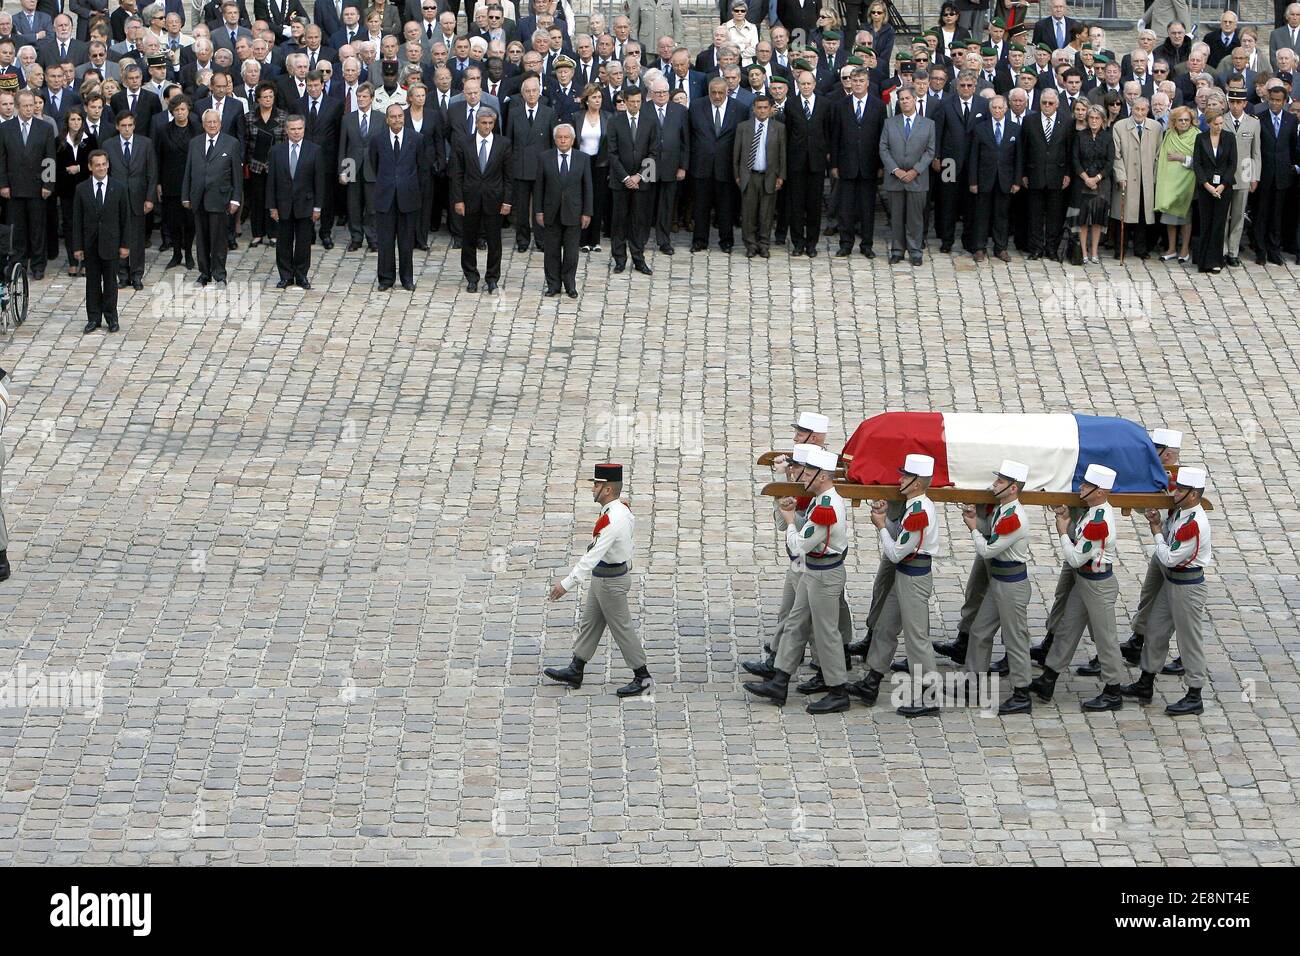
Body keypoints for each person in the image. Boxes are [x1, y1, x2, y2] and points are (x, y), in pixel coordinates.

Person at [743, 447, 853, 715]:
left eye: (807, 473)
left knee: (826, 633)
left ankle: (838, 690)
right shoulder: (820, 500)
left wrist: (791, 519)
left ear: (823, 476)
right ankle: (780, 681)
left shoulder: (826, 506)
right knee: (794, 624)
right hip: (815, 572)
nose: (802, 477)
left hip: (823, 575)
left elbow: (799, 545)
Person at [544, 463, 652, 698]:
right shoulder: (620, 509)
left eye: (597, 484)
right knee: (591, 623)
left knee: (622, 630)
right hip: (604, 578)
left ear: (608, 490)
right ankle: (576, 668)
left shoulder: (611, 520)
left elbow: (592, 555)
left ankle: (642, 676)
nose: (593, 488)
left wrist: (566, 584)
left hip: (610, 582)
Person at [850, 454, 941, 717]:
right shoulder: (913, 507)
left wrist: (880, 526)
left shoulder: (919, 512)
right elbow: (901, 536)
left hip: (913, 578)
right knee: (884, 628)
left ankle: (929, 695)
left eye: (905, 476)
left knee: (916, 638)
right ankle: (871, 682)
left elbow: (896, 552)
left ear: (916, 483)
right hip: (905, 575)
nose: (899, 479)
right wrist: (887, 520)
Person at [1030, 464, 1126, 712]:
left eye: (1087, 485)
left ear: (1100, 492)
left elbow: (1074, 558)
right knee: (1067, 629)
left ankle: (1113, 690)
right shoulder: (1091, 512)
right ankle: (1048, 679)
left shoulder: (1098, 521)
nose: (1081, 487)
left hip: (1097, 585)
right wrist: (1066, 519)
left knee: (1106, 640)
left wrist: (1061, 531)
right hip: (1086, 581)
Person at [1123, 467, 1213, 716]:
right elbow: (1169, 538)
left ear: (1193, 495)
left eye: (1181, 490)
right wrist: (1158, 524)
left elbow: (1170, 557)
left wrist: (1155, 534)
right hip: (1173, 583)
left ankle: (1195, 693)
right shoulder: (1180, 514)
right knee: (1155, 629)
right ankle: (1145, 682)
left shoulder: (1193, 524)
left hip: (1187, 587)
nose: (1175, 493)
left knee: (1189, 642)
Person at [962, 459, 1033, 715]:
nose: (995, 485)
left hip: (1011, 585)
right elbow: (993, 534)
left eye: (1000, 482)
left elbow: (988, 549)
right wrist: (978, 523)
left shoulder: (1014, 518)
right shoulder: (1004, 511)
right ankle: (972, 684)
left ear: (1013, 488)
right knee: (980, 631)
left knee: (1015, 639)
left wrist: (972, 529)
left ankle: (1022, 692)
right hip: (1000, 583)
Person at [450, 105, 510, 292]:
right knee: (468, 239)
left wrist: (507, 201)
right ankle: (471, 277)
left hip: (494, 198)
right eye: (483, 123)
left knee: (494, 241)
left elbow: (508, 176)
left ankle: (492, 278)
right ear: (476, 123)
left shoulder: (503, 144)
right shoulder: (464, 143)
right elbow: (457, 174)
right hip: (470, 198)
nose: (487, 126)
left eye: (490, 123)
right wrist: (458, 200)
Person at [181, 106, 243, 285]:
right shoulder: (195, 143)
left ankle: (219, 273)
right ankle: (204, 273)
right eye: (209, 122)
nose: (212, 125)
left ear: (220, 124)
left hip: (220, 198)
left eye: (215, 122)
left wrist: (235, 199)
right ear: (203, 124)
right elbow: (188, 171)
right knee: (201, 239)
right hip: (198, 198)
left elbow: (236, 177)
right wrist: (186, 195)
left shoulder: (231, 143)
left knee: (218, 239)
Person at [71, 149, 131, 334]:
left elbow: (125, 219)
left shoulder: (118, 187)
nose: (101, 168)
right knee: (92, 283)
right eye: (97, 165)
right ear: (90, 167)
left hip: (111, 243)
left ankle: (111, 318)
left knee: (111, 283)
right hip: (90, 244)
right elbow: (77, 219)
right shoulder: (82, 189)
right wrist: (78, 246)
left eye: (104, 164)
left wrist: (125, 244)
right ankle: (94, 318)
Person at [0, 90, 57, 280]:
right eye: (25, 106)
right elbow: (2, 158)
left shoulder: (45, 128)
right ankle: (19, 263)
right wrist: (3, 184)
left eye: (32, 105)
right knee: (17, 229)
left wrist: (48, 184)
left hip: (37, 187)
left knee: (37, 228)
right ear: (17, 107)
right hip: (14, 188)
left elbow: (49, 157)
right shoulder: (6, 128)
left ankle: (39, 265)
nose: (29, 109)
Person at [830, 65, 885, 258]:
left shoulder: (878, 106)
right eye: (855, 81)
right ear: (849, 82)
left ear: (868, 83)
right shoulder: (840, 105)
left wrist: (880, 165)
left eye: (862, 81)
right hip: (847, 164)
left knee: (867, 207)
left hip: (870, 165)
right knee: (846, 207)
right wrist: (835, 164)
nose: (858, 84)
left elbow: (881, 138)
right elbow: (835, 136)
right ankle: (846, 243)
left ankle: (867, 244)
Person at [266, 114, 325, 289]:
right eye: (293, 129)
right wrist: (272, 206)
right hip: (283, 204)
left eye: (299, 128)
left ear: (304, 129)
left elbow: (319, 181)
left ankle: (301, 276)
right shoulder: (276, 151)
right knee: (283, 242)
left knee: (303, 243)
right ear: (286, 130)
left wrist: (318, 207)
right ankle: (285, 276)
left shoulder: (314, 150)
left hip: (305, 205)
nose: (296, 132)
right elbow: (271, 181)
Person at [533, 121, 592, 298]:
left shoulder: (583, 158)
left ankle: (570, 284)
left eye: (566, 137)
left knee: (571, 252)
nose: (563, 141)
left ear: (573, 140)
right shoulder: (545, 157)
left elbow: (587, 187)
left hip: (574, 212)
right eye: (559, 137)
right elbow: (539, 187)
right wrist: (538, 210)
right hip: (551, 212)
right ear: (555, 140)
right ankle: (553, 285)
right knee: (551, 251)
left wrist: (587, 212)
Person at [370, 102, 423, 292]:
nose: (397, 120)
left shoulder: (416, 139)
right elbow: (374, 163)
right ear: (387, 119)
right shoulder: (378, 140)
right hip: (385, 197)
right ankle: (385, 278)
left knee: (406, 241)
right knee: (385, 241)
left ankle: (407, 278)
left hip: (408, 197)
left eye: (400, 116)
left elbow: (421, 166)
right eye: (393, 117)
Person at [102, 109, 157, 290]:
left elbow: (151, 173)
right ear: (117, 127)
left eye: (130, 125)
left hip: (138, 198)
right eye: (123, 126)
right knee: (118, 238)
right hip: (116, 199)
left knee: (137, 240)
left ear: (134, 126)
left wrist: (149, 198)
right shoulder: (108, 145)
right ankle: (122, 275)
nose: (127, 129)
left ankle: (137, 275)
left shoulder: (145, 143)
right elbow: (105, 174)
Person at [879, 86, 933, 266]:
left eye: (907, 98)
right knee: (896, 217)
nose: (904, 102)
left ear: (915, 99)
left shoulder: (928, 124)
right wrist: (896, 170)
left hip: (917, 179)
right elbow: (883, 148)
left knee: (915, 219)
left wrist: (915, 170)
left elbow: (930, 151)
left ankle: (915, 251)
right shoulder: (890, 123)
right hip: (895, 178)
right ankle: (897, 250)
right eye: (901, 99)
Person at [688, 76, 742, 252]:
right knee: (701, 206)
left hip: (726, 167)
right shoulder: (696, 106)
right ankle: (699, 240)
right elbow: (689, 135)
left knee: (725, 206)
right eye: (713, 92)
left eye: (720, 92)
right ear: (709, 91)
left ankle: (726, 240)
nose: (717, 96)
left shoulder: (739, 109)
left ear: (727, 91)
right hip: (701, 165)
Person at [607, 87, 657, 274]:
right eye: (632, 101)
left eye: (638, 101)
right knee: (619, 220)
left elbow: (654, 152)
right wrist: (626, 177)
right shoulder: (614, 122)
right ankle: (619, 258)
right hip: (620, 181)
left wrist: (639, 176)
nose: (635, 105)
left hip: (642, 180)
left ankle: (638, 258)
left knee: (639, 221)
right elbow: (612, 153)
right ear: (625, 102)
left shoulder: (650, 122)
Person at [503, 74, 555, 253]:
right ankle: (522, 239)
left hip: (541, 168)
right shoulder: (514, 112)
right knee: (522, 208)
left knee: (540, 206)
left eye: (534, 91)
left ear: (539, 93)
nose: (532, 94)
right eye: (528, 91)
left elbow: (552, 143)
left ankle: (541, 239)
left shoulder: (549, 113)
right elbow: (508, 141)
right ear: (522, 94)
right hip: (521, 166)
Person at [967, 93, 1021, 262]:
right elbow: (974, 157)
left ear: (1006, 109)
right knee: (981, 214)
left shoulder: (1015, 128)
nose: (997, 110)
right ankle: (980, 248)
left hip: (1005, 179)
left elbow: (1018, 158)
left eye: (1000, 108)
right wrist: (973, 181)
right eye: (994, 108)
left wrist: (1017, 181)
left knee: (1002, 215)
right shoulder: (980, 128)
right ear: (990, 110)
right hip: (984, 178)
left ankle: (1001, 247)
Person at [1020, 88, 1071, 260]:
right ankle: (1035, 248)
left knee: (1055, 216)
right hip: (1034, 175)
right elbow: (1022, 149)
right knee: (1034, 215)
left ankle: (1051, 248)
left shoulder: (1066, 121)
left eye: (1050, 103)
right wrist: (1023, 173)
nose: (1047, 106)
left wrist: (1067, 173)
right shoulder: (1029, 121)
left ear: (1057, 104)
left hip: (1057, 176)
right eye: (1044, 103)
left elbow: (1069, 149)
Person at [784, 68, 830, 257]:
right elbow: (787, 132)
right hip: (796, 162)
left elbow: (827, 131)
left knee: (813, 205)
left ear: (814, 85)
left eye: (808, 83)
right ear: (798, 85)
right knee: (796, 205)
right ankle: (797, 242)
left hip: (817, 162)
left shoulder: (824, 104)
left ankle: (812, 243)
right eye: (802, 83)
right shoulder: (791, 103)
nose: (805, 86)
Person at [733, 92, 784, 258]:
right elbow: (736, 154)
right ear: (754, 109)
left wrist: (780, 176)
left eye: (765, 108)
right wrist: (737, 175)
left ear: (770, 109)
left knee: (766, 214)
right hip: (749, 175)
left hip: (769, 175)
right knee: (748, 213)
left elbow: (782, 155)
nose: (762, 111)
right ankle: (750, 244)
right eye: (759, 108)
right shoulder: (743, 127)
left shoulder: (779, 128)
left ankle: (764, 244)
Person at [155, 93, 201, 270]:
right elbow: (158, 156)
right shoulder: (163, 130)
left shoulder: (197, 128)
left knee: (189, 220)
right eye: (176, 110)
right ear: (172, 111)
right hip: (171, 181)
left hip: (191, 181)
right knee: (173, 220)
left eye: (183, 109)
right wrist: (158, 182)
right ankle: (176, 253)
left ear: (188, 110)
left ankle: (188, 253)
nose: (180, 113)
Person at [1111, 96, 1159, 259]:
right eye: (1136, 109)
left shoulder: (1156, 127)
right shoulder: (1120, 126)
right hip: (1127, 177)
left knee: (1142, 215)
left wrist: (1154, 176)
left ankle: (1141, 249)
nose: (1139, 113)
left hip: (1146, 179)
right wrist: (1120, 175)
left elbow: (1159, 154)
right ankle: (1120, 249)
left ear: (1148, 110)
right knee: (1123, 215)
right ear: (1131, 109)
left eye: (1143, 110)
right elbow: (1116, 155)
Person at [1255, 84, 1298, 265]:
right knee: (1261, 212)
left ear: (1284, 101)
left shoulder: (1291, 119)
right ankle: (1260, 250)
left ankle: (1274, 249)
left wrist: (1291, 167)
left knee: (1277, 214)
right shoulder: (1260, 119)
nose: (1274, 103)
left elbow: (1292, 145)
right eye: (1271, 100)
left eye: (1278, 100)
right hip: (1264, 173)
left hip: (1282, 174)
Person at [1191, 107, 1236, 274]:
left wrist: (1223, 185)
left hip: (1224, 187)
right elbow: (1198, 164)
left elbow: (1232, 164)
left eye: (1221, 123)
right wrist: (1207, 185)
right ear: (1209, 123)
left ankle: (1216, 260)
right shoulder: (1200, 138)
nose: (1219, 127)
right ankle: (1203, 261)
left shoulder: (1230, 138)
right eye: (1216, 124)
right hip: (1205, 188)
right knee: (1205, 223)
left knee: (1218, 224)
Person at [340, 82, 382, 253]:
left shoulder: (380, 118)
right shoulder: (347, 118)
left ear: (371, 98)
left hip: (373, 167)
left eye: (365, 97)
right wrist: (342, 171)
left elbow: (383, 146)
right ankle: (356, 238)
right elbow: (342, 146)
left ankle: (373, 238)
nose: (361, 99)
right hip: (351, 166)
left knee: (372, 207)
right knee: (353, 206)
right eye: (359, 97)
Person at [646, 76, 687, 256]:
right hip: (649, 165)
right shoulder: (644, 109)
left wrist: (683, 167)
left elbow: (686, 141)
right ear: (651, 94)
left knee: (666, 205)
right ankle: (641, 239)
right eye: (658, 93)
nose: (661, 95)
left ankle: (664, 240)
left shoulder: (679, 110)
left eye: (664, 92)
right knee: (645, 204)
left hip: (671, 165)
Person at [243, 82, 284, 251]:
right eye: (264, 97)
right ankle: (257, 233)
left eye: (270, 96)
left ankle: (273, 234)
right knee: (257, 200)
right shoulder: (249, 117)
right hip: (255, 165)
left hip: (275, 166)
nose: (268, 100)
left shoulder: (282, 116)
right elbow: (245, 141)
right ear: (258, 99)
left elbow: (285, 142)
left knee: (273, 199)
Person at [1222, 88, 1260, 268]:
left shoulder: (1253, 123)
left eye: (1239, 102)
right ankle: (1221, 250)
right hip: (1225, 175)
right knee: (1224, 215)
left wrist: (1255, 176)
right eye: (1233, 102)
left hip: (1244, 174)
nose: (1235, 106)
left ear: (1245, 103)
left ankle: (1233, 251)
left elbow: (1255, 152)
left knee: (1238, 215)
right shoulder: (1222, 121)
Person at [55, 106, 95, 277]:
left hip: (86, 189)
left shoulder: (90, 139)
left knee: (87, 224)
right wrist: (66, 172)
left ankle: (86, 261)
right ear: (67, 122)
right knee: (70, 225)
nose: (76, 122)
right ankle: (72, 261)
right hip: (66, 190)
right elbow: (54, 166)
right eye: (73, 119)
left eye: (79, 119)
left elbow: (95, 164)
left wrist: (79, 168)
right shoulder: (59, 141)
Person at [1155, 105, 1198, 263]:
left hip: (1187, 183)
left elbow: (1200, 162)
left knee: (1185, 217)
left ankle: (1185, 249)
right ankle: (1172, 248)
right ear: (1174, 121)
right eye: (1180, 120)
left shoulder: (1197, 136)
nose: (1184, 123)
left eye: (1187, 120)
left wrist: (1182, 158)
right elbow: (1162, 158)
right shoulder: (1168, 135)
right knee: (1170, 217)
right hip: (1169, 183)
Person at [1071, 104, 1110, 264]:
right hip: (1082, 182)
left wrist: (1097, 178)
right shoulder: (1080, 136)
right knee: (1082, 219)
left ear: (1102, 120)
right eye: (1091, 118)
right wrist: (1086, 178)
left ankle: (1094, 251)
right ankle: (1084, 252)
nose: (1094, 121)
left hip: (1101, 183)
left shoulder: (1107, 137)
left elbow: (1110, 161)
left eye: (1097, 118)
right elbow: (1075, 159)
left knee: (1097, 220)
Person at [575, 84, 609, 252]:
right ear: (586, 100)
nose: (597, 100)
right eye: (594, 97)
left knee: (597, 200)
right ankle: (583, 239)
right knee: (582, 198)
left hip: (600, 163)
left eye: (599, 97)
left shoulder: (608, 117)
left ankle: (595, 240)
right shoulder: (577, 117)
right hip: (581, 161)